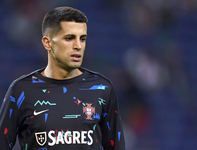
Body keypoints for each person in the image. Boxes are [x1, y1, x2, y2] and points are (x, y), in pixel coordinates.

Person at [0, 6, 126, 150]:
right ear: (47, 43)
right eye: (69, 38)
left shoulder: (102, 88)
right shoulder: (21, 90)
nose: (78, 46)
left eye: (82, 38)